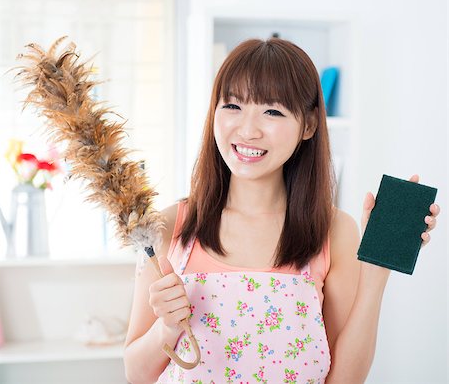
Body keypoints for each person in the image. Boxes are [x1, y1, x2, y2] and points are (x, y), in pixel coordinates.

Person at [123, 38, 439, 384]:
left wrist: (377, 272)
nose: (247, 129)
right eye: (232, 106)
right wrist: (166, 328)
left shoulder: (334, 231)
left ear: (309, 125)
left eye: (272, 111)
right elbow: (136, 375)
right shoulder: (169, 226)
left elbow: (346, 379)